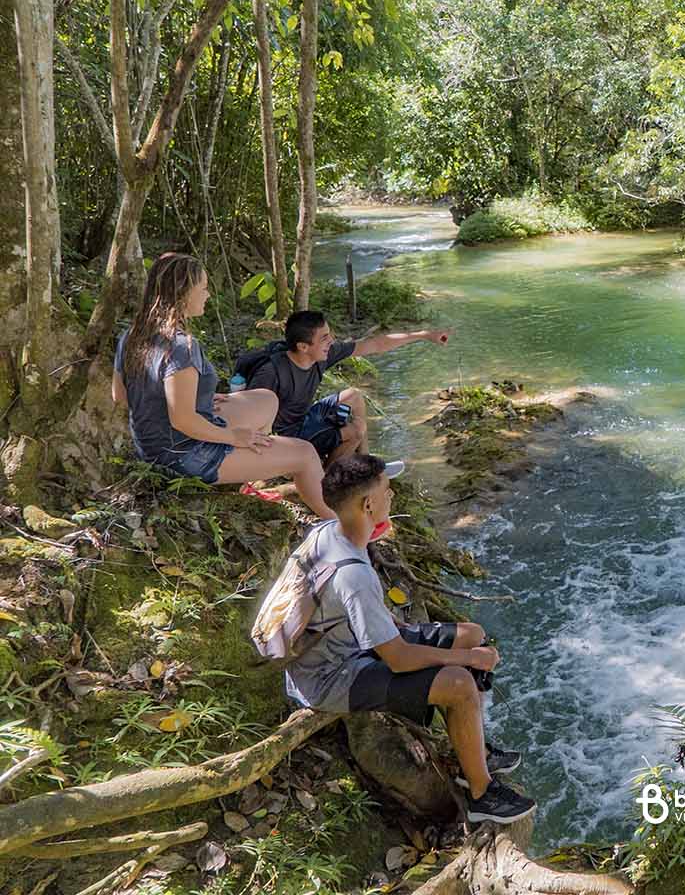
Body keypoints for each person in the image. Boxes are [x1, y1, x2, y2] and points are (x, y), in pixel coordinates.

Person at [284, 453, 534, 824]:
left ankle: (473, 746)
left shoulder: (328, 532)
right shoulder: (353, 575)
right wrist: (470, 660)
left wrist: (468, 649)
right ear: (368, 504)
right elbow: (398, 659)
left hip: (345, 644)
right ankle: (481, 793)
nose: (392, 496)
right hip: (328, 678)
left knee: (471, 635)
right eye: (387, 490)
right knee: (461, 682)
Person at [113, 253, 336, 520]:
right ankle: (342, 526)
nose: (208, 295)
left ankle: (244, 480)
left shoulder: (132, 335)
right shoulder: (182, 346)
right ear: (184, 293)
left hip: (151, 446)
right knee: (306, 454)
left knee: (266, 399)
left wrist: (196, 396)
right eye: (203, 288)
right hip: (184, 455)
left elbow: (121, 396)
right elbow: (183, 419)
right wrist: (234, 437)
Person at [248, 311, 449, 465]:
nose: (331, 341)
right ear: (303, 346)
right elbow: (246, 411)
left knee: (353, 395)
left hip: (305, 419)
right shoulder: (271, 372)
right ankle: (329, 477)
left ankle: (365, 461)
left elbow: (376, 345)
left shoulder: (318, 355)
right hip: (286, 437)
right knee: (356, 429)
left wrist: (423, 335)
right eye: (324, 337)